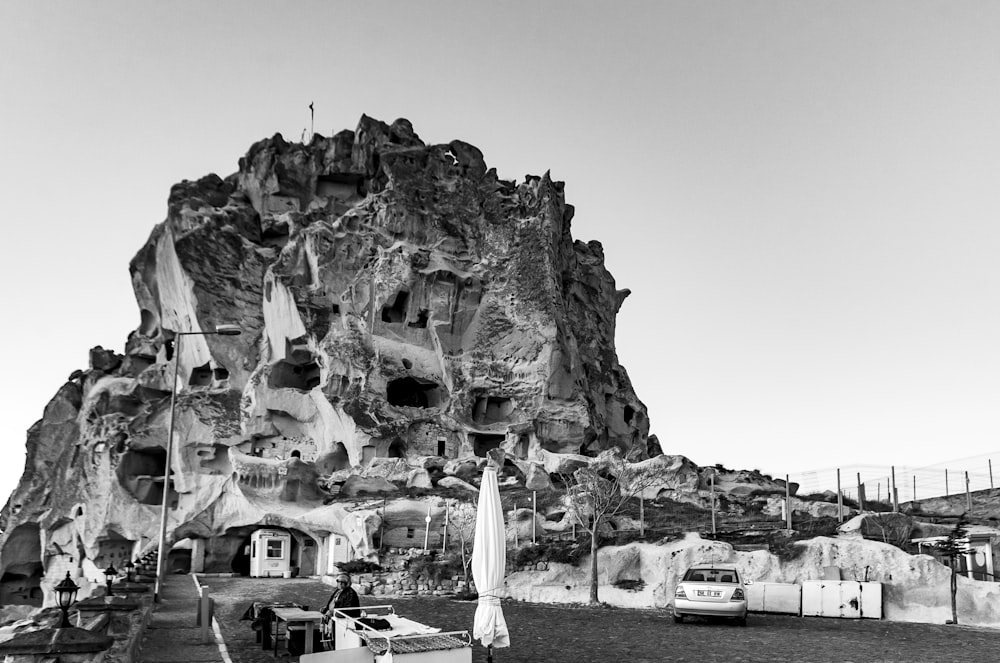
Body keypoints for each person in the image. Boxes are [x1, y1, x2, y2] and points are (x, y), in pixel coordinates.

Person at [321, 572, 361, 650]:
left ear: (347, 583)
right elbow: (331, 601)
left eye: (342, 582)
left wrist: (333, 612)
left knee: (337, 637)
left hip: (345, 620)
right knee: (330, 634)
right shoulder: (338, 591)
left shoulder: (350, 593)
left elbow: (348, 609)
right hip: (334, 617)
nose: (339, 584)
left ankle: (336, 648)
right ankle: (332, 646)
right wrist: (326, 609)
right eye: (338, 581)